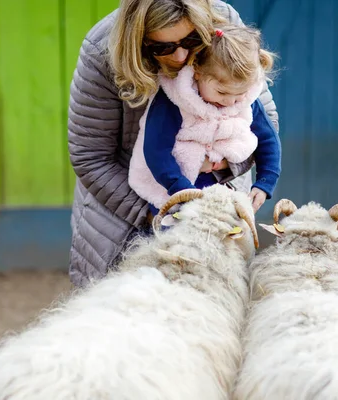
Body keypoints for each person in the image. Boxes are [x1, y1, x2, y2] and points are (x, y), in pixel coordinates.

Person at [67, 0, 280, 287]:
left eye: (192, 40)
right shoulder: (101, 50)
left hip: (215, 215)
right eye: (162, 47)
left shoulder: (224, 19)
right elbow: (90, 158)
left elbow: (257, 115)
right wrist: (163, 211)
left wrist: (224, 163)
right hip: (127, 217)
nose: (180, 56)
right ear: (138, 39)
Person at [128, 23, 281, 215]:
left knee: (229, 235)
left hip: (219, 186)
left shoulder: (247, 100)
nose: (230, 101)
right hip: (170, 187)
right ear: (198, 72)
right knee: (180, 238)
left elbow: (268, 139)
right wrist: (181, 189)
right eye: (221, 92)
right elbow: (156, 149)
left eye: (239, 94)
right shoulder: (175, 100)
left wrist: (265, 182)